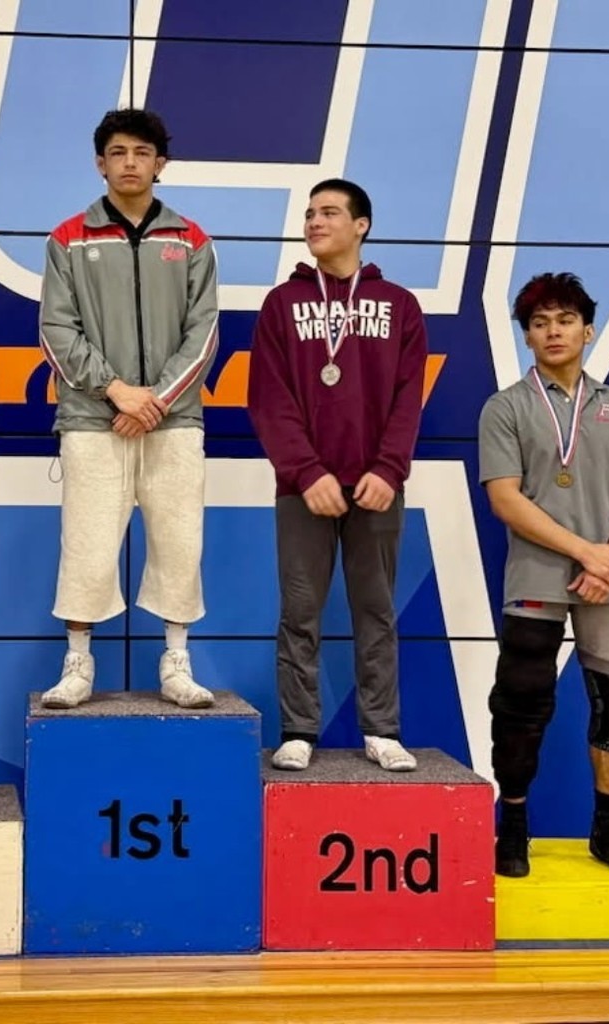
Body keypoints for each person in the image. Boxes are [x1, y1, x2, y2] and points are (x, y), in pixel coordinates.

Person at [478, 272, 609, 877]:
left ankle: (608, 832)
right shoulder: (506, 406)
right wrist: (588, 552)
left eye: (563, 320)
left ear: (588, 329)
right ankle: (515, 829)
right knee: (521, 704)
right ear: (526, 336)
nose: (552, 332)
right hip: (537, 579)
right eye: (538, 322)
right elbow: (506, 499)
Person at [38, 108, 218, 709]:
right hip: (95, 420)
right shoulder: (68, 237)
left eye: (142, 152)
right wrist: (117, 391)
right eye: (118, 153)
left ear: (160, 163)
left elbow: (205, 330)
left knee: (178, 541)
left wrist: (157, 400)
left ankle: (176, 660)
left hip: (174, 420)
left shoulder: (191, 238)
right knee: (86, 544)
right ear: (100, 163)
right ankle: (78, 664)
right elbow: (55, 330)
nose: (130, 163)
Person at [247, 179, 428, 772]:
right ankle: (299, 728)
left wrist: (388, 468)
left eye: (329, 212)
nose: (315, 221)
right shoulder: (282, 304)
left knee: (375, 610)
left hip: (377, 486)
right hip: (304, 489)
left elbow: (408, 399)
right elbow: (268, 399)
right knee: (299, 611)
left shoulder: (399, 305)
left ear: (362, 225)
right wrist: (305, 472)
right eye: (309, 213)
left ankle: (382, 729)